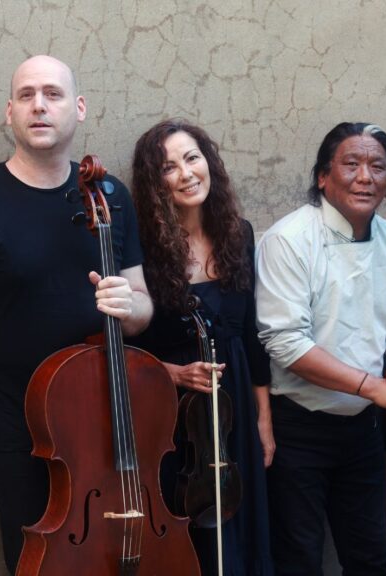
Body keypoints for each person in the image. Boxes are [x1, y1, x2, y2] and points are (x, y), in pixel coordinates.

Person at [0, 55, 152, 574]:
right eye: (26, 95)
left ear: (79, 108)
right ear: (10, 112)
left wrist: (131, 305)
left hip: (109, 427)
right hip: (18, 436)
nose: (39, 106)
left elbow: (141, 308)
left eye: (52, 93)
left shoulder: (112, 197)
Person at [255, 122, 386, 576]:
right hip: (298, 427)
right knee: (298, 561)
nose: (365, 177)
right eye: (351, 164)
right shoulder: (288, 239)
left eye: (378, 167)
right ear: (322, 176)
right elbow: (285, 341)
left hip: (363, 428)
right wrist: (372, 386)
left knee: (369, 558)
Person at [129, 119, 274, 576]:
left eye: (192, 158)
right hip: (176, 417)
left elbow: (251, 334)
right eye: (168, 167)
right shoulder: (141, 251)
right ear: (155, 184)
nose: (186, 173)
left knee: (242, 529)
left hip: (236, 410)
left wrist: (263, 418)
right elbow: (124, 350)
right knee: (190, 530)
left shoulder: (238, 233)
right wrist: (173, 373)